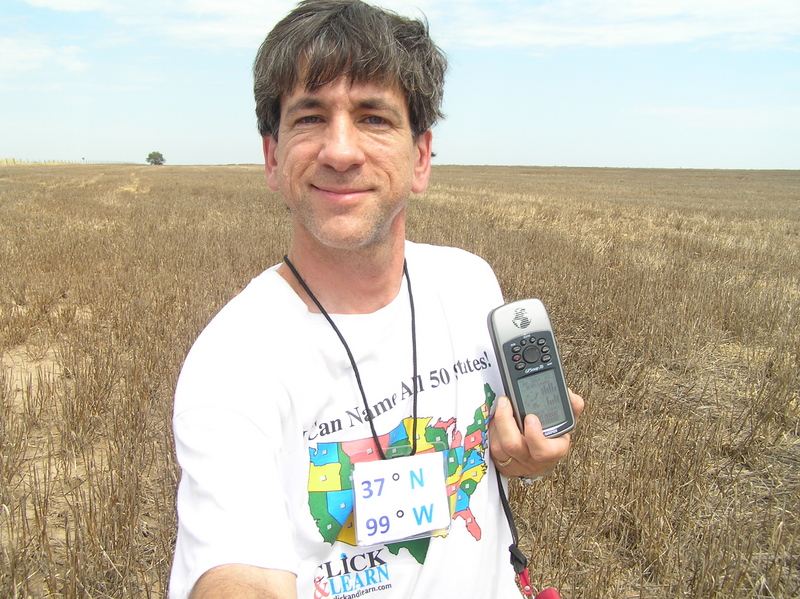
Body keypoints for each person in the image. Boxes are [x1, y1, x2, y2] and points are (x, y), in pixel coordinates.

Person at [169, 1, 584, 598]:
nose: (341, 151)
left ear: (420, 158)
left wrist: (521, 453)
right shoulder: (234, 361)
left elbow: (488, 454)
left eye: (373, 118)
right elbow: (238, 572)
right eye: (310, 118)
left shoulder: (471, 285)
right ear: (271, 156)